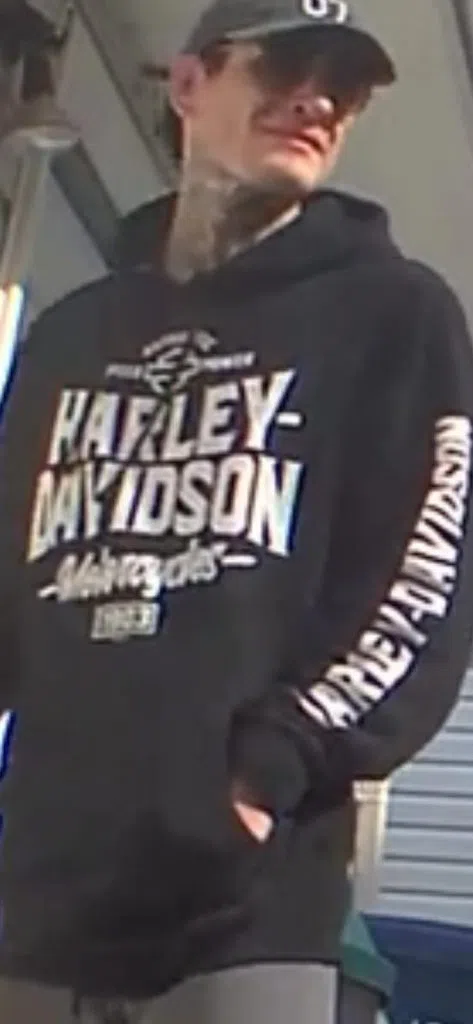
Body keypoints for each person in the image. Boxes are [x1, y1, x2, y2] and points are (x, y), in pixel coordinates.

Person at [1, 0, 473, 1021]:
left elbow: (419, 584)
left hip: (244, 920)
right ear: (188, 84)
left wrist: (266, 770)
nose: (315, 102)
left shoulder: (393, 315)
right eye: (284, 67)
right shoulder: (74, 335)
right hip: (38, 912)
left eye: (342, 87)